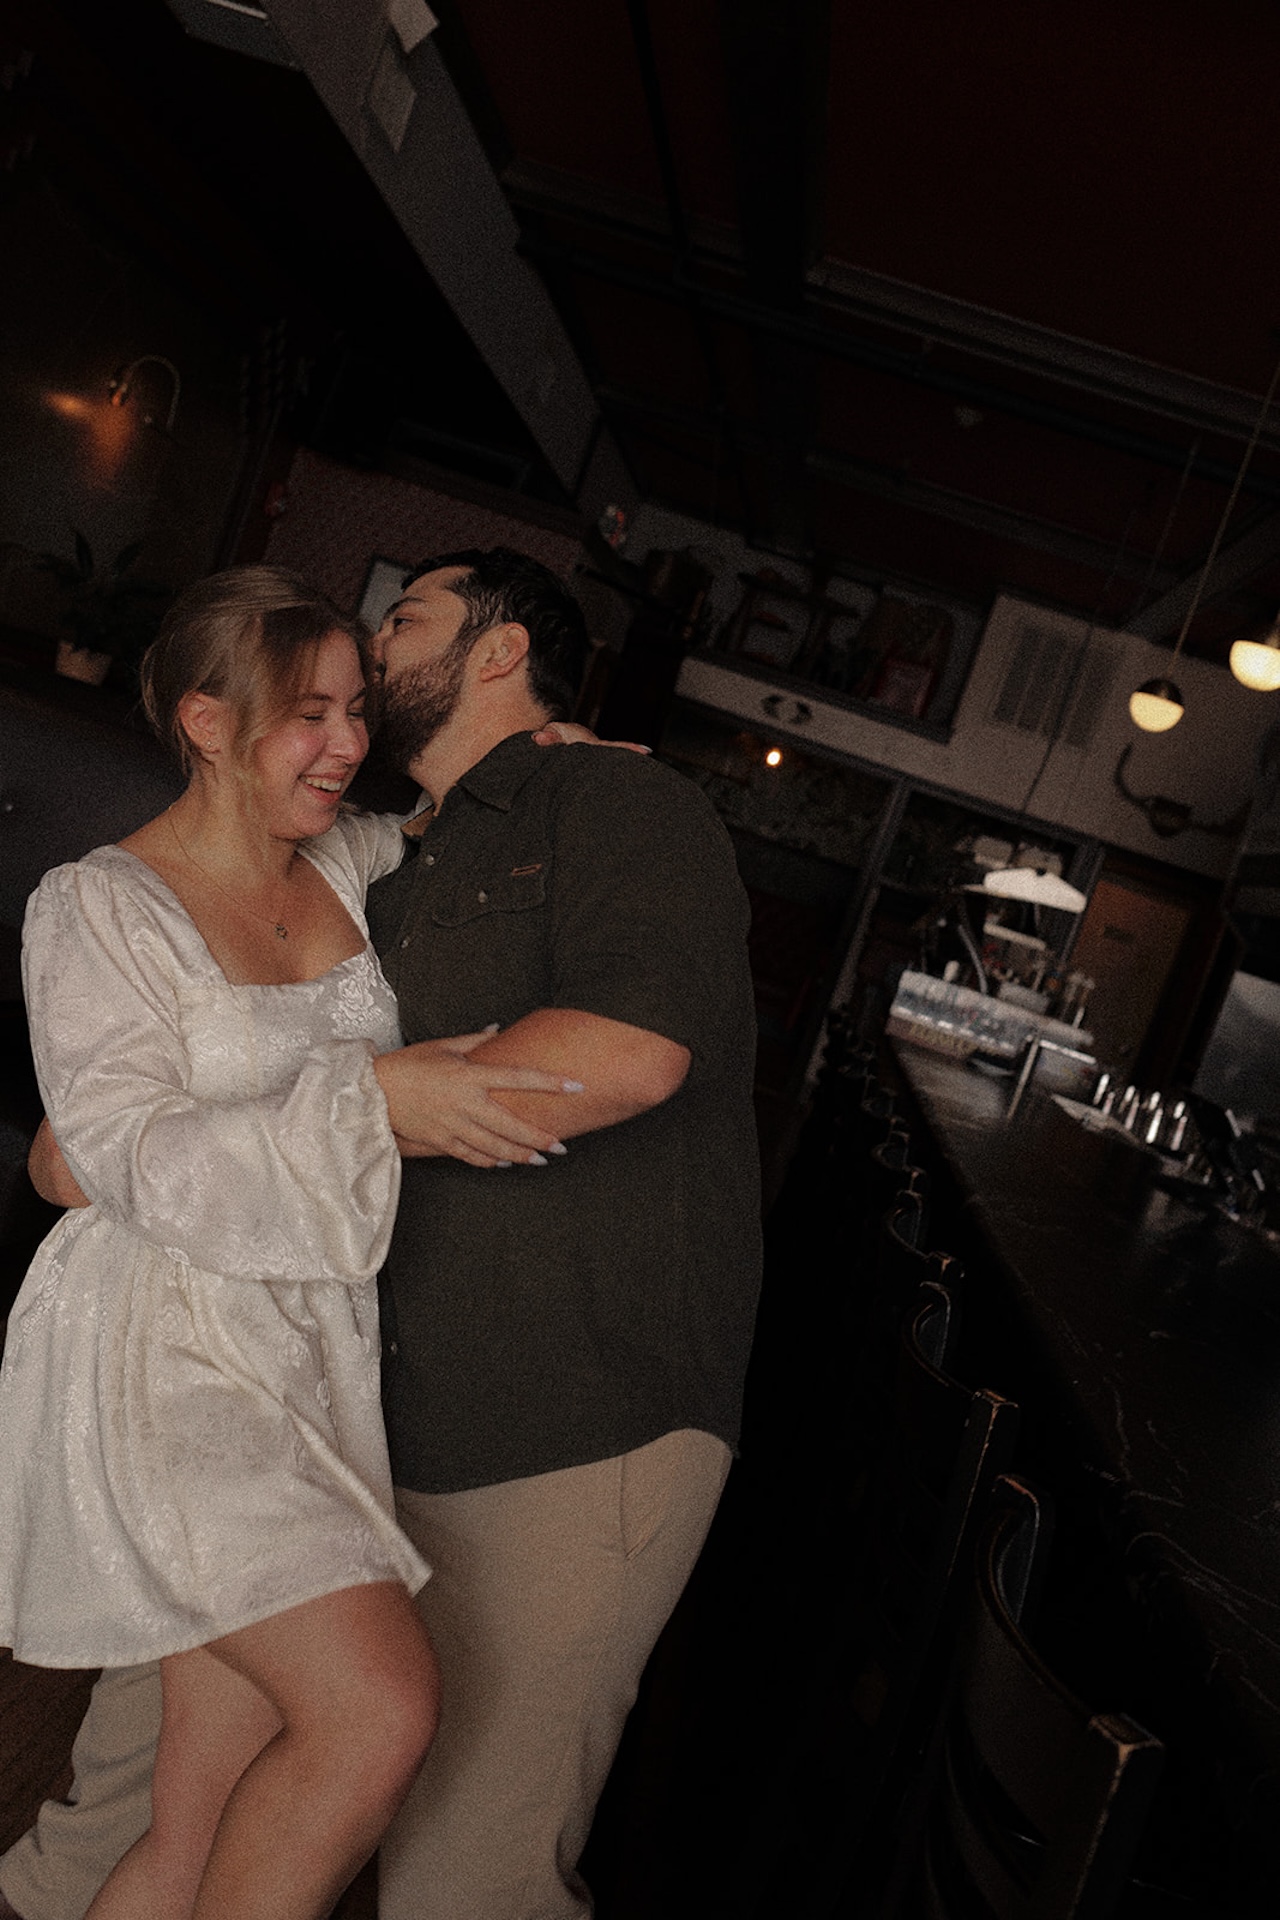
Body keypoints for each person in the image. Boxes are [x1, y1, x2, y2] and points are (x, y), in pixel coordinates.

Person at [0, 547, 762, 1920]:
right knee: (354, 1724)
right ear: (210, 720)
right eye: (316, 707)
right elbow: (110, 1141)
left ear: (497, 652)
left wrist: (562, 765)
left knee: (208, 1815)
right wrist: (370, 1106)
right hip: (188, 1355)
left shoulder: (381, 854)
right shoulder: (117, 898)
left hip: (362, 1375)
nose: (348, 732)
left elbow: (633, 1049)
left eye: (383, 655)